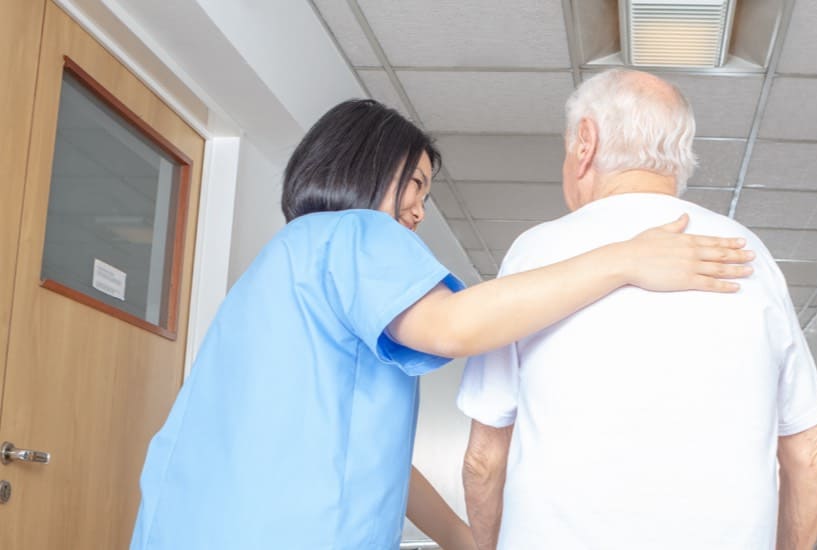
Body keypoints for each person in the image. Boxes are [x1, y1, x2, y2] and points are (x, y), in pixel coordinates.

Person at [129, 99, 755, 550]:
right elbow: (455, 325)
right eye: (417, 185)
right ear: (369, 164)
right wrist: (626, 260)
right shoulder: (353, 234)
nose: (420, 212)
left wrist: (463, 541)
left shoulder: (291, 263)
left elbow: (379, 466)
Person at [458, 69, 817, 550]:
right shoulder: (748, 257)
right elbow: (812, 457)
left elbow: (483, 461)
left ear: (585, 143)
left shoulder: (535, 255)